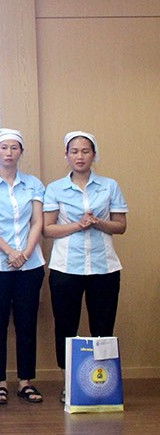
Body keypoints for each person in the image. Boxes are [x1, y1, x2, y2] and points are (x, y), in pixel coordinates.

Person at [43, 131, 127, 402]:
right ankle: (71, 382)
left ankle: (100, 383)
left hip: (104, 267)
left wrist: (98, 223)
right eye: (74, 151)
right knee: (66, 326)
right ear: (66, 156)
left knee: (103, 325)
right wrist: (77, 225)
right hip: (66, 268)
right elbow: (48, 229)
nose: (80, 156)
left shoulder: (109, 185)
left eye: (85, 151)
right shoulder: (55, 188)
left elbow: (121, 225)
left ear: (94, 155)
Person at [0, 128, 46, 404]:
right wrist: (10, 252)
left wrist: (24, 253)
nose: (9, 153)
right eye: (4, 148)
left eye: (14, 148)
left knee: (27, 324)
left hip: (30, 264)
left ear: (21, 152)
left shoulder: (34, 184)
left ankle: (25, 381)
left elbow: (37, 221)